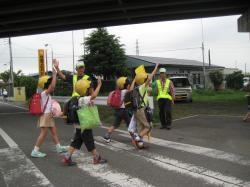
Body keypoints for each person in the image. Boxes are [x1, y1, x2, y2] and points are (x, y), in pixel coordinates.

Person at [62, 77, 107, 166]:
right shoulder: (83, 99)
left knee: (75, 142)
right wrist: (99, 85)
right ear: (85, 90)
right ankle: (96, 158)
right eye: (88, 88)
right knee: (90, 142)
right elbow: (94, 96)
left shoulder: (76, 99)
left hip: (78, 125)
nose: (90, 89)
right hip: (85, 125)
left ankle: (67, 157)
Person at [31, 60, 68, 158]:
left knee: (54, 131)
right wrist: (55, 75)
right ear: (45, 84)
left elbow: (52, 88)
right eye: (49, 81)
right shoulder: (44, 93)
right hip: (46, 115)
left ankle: (58, 147)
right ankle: (35, 150)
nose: (50, 83)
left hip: (48, 115)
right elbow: (52, 86)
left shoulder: (45, 94)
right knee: (43, 133)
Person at [130, 63, 159, 148]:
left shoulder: (135, 88)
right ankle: (137, 138)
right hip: (141, 110)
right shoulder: (142, 87)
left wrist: (134, 80)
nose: (147, 79)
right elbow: (150, 77)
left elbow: (130, 90)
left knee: (142, 127)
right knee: (148, 126)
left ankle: (140, 144)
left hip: (136, 110)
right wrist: (156, 67)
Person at [103, 77, 132, 143]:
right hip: (124, 111)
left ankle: (107, 135)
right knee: (130, 125)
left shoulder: (117, 91)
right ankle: (134, 138)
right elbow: (131, 90)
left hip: (118, 110)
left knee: (115, 124)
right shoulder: (124, 91)